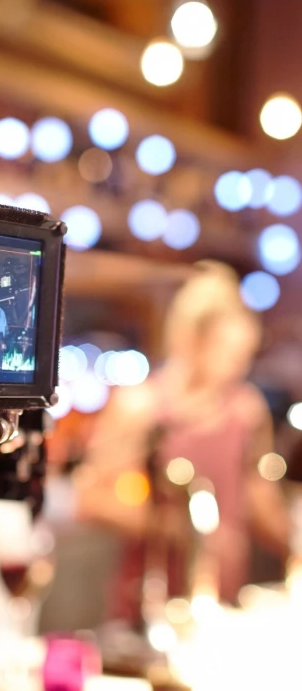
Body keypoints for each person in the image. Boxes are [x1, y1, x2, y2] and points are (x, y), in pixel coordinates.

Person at [72, 262, 290, 618]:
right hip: (150, 606)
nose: (237, 369)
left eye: (244, 356)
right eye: (229, 354)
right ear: (192, 340)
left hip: (222, 601)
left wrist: (291, 538)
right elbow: (91, 500)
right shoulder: (141, 407)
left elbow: (256, 494)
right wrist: (183, 530)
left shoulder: (246, 409)